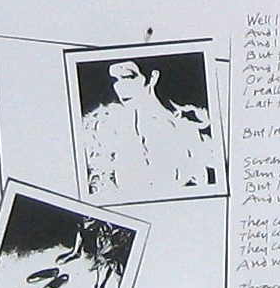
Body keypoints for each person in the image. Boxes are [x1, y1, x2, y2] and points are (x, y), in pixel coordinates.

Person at [81, 58, 201, 199]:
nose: (121, 87)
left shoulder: (186, 130)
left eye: (128, 77)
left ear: (152, 77)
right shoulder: (102, 130)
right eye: (116, 79)